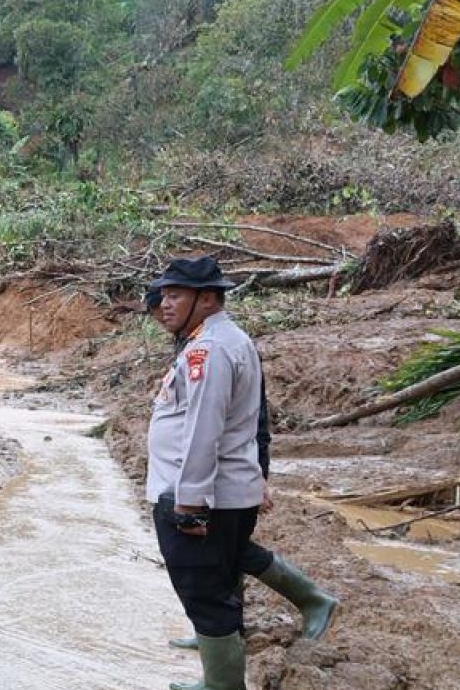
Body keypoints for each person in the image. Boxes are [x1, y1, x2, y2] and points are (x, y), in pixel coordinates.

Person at [142, 279, 338, 659]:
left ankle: (307, 602)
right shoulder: (199, 342)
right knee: (229, 556)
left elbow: (246, 421)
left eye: (171, 302)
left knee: (224, 557)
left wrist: (258, 474)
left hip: (224, 478)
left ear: (204, 300)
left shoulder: (216, 347)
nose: (164, 315)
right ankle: (220, 637)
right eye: (159, 307)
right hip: (219, 478)